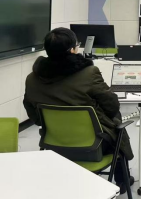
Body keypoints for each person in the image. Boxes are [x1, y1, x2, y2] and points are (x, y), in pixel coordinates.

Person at [23, 28, 134, 193]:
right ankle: (122, 181)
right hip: (94, 146)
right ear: (72, 50)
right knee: (116, 128)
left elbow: (31, 110)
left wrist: (49, 124)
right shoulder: (89, 73)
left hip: (54, 145)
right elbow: (111, 105)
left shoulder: (32, 78)